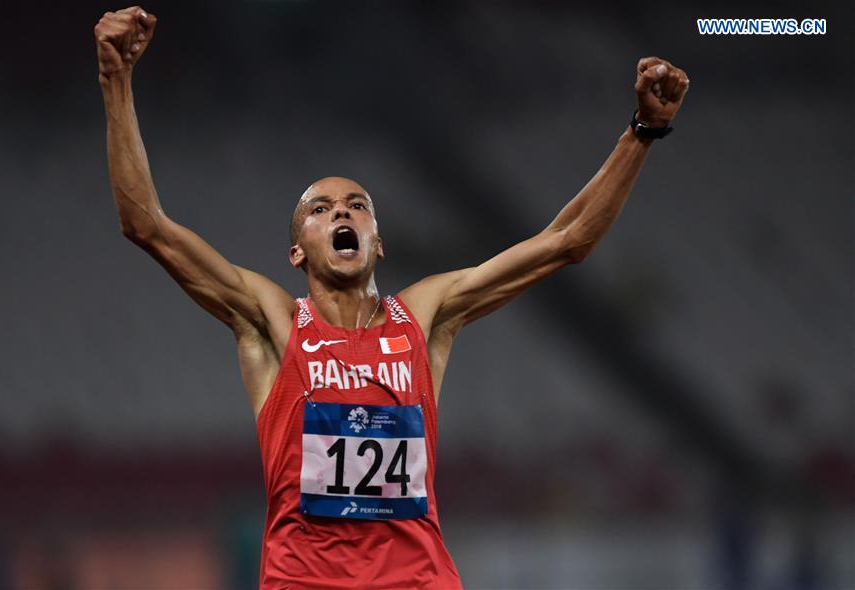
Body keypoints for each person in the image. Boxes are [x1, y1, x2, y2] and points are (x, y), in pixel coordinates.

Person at [95, 6, 689, 589]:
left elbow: (566, 241)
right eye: (319, 210)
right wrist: (116, 80)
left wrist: (643, 131)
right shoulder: (272, 319)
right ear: (297, 250)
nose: (342, 212)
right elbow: (145, 225)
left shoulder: (424, 315)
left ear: (378, 243)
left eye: (357, 206)